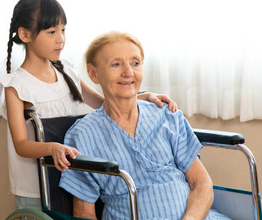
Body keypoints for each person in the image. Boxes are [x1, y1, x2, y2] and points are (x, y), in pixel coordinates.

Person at [0, 0, 178, 211]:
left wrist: (143, 97)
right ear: (25, 34)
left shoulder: (66, 69)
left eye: (63, 30)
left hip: (74, 172)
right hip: (37, 187)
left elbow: (102, 102)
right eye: (52, 32)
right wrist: (52, 148)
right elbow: (21, 145)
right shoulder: (16, 86)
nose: (60, 39)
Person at [59, 31, 230, 220]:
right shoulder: (83, 134)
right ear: (93, 73)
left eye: (135, 63)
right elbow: (84, 213)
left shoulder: (166, 115)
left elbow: (201, 184)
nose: (128, 72)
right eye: (116, 64)